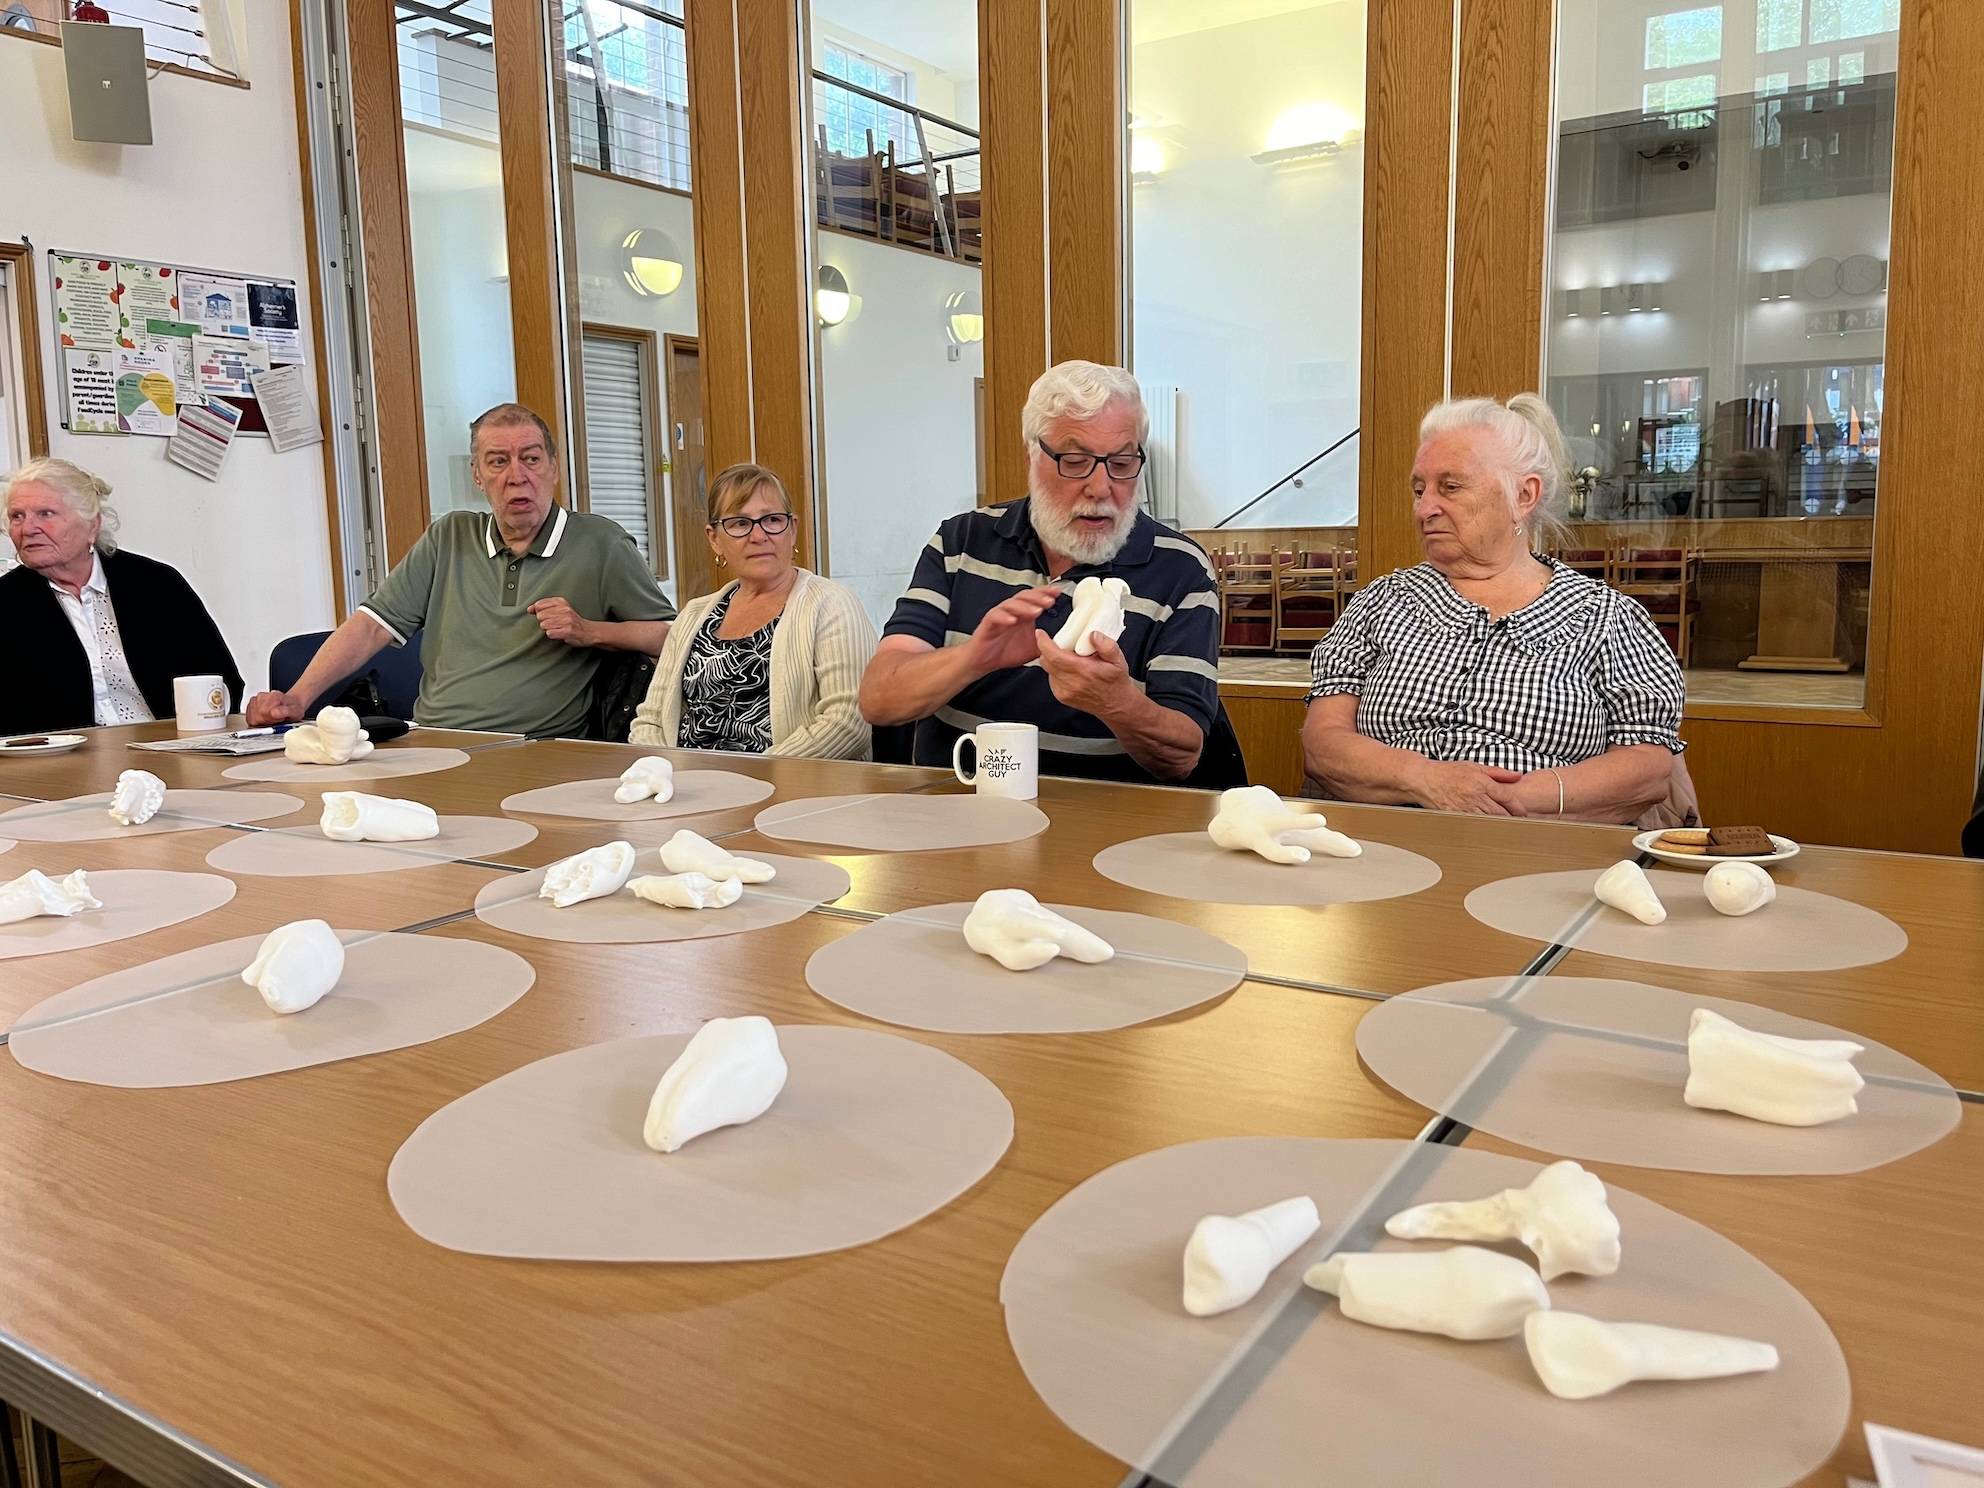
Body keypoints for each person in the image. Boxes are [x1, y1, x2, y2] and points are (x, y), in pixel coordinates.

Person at [1301, 394, 1685, 823]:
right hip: (1383, 846)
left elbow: (1647, 770)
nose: (1425, 508)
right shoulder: (1381, 603)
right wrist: (1428, 780)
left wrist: (1502, 799)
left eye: (1450, 486)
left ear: (1524, 495)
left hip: (1541, 855)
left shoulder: (1607, 619)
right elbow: (1324, 743)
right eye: (1419, 489)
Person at [858, 360, 1221, 784]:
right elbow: (879, 700)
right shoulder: (961, 542)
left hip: (1106, 824)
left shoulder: (1180, 569)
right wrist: (976, 657)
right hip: (954, 811)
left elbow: (1183, 755)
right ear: (1033, 453)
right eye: (1075, 460)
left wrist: (1116, 702)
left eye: (1122, 464)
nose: (1101, 488)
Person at [246, 403, 674, 737]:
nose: (517, 476)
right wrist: (297, 698)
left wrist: (590, 631)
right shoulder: (449, 535)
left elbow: (673, 637)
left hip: (539, 749)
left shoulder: (601, 543)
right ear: (477, 475)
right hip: (434, 741)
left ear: (554, 468)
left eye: (531, 458)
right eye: (498, 461)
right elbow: (371, 628)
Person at [630, 463, 875, 759]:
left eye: (772, 520)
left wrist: (755, 777)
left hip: (788, 790)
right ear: (714, 538)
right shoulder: (693, 615)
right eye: (740, 523)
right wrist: (664, 772)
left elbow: (848, 723)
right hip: (684, 789)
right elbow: (651, 719)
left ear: (792, 529)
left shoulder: (832, 604)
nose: (758, 536)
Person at [1, 458, 242, 735]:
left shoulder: (156, 585)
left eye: (45, 514)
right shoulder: (7, 602)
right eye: (17, 516)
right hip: (56, 763)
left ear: (92, 525)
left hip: (167, 748)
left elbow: (219, 680)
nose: (27, 528)